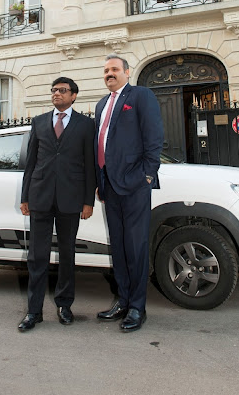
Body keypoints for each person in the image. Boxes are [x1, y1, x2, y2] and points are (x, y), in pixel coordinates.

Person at [18, 77, 96, 332]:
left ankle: (64, 305)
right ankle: (34, 311)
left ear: (74, 96)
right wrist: (25, 197)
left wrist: (88, 201)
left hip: (70, 198)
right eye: (53, 90)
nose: (56, 94)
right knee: (37, 256)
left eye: (62, 91)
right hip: (40, 197)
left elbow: (90, 166)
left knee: (66, 254)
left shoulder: (86, 125)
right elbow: (30, 162)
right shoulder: (39, 122)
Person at [95, 54, 164, 332]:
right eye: (106, 71)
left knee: (135, 248)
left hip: (135, 185)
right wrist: (100, 181)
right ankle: (122, 301)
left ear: (126, 71)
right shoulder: (102, 104)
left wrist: (146, 176)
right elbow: (100, 144)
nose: (109, 74)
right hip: (109, 186)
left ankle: (137, 307)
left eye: (114, 69)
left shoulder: (140, 96)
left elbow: (154, 137)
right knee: (120, 248)